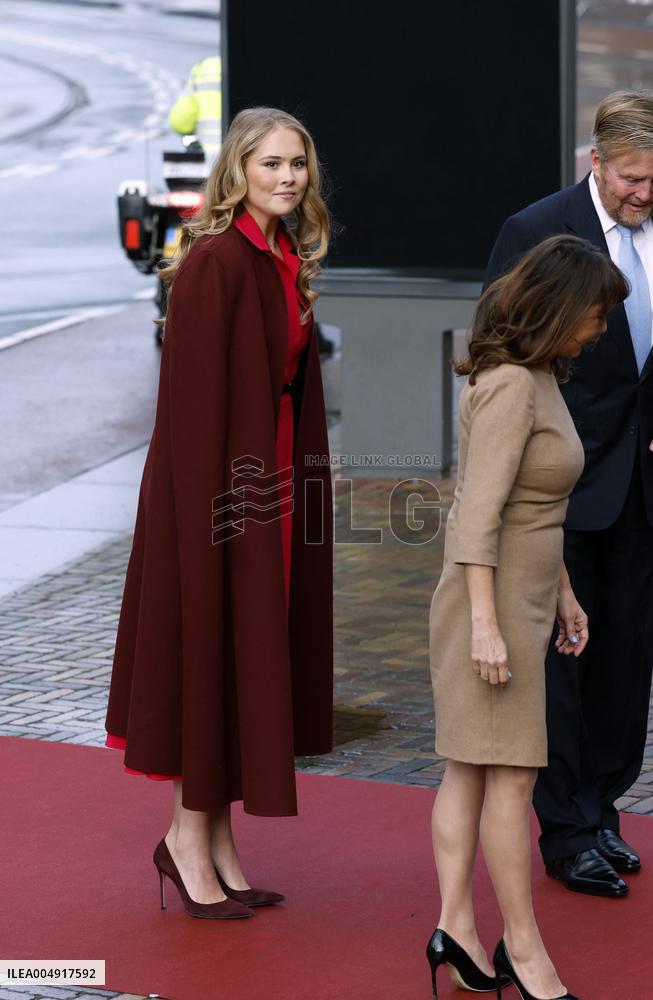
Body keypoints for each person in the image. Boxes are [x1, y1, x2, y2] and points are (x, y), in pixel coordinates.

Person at [104, 106, 333, 919]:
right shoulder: (216, 262)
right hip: (223, 498)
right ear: (237, 169)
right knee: (214, 650)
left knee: (247, 657)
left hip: (266, 473)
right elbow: (190, 412)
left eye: (297, 164)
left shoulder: (278, 253)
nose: (286, 177)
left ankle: (217, 847)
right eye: (270, 163)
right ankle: (185, 846)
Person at [427, 235, 627, 1000]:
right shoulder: (512, 385)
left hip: (520, 594)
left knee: (472, 773)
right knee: (508, 780)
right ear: (559, 307)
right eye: (594, 314)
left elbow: (532, 511)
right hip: (493, 603)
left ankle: (454, 930)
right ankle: (523, 949)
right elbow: (475, 516)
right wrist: (485, 626)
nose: (600, 328)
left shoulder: (534, 374)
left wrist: (565, 593)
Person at [485, 90, 653, 898]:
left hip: (645, 493)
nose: (643, 194)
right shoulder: (534, 231)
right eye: (631, 178)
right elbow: (500, 359)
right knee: (560, 670)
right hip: (561, 490)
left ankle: (601, 808)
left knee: (626, 664)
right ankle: (566, 832)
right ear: (595, 162)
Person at [169, 55, 222, 159]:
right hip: (240, 155)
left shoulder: (200, 71)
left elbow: (180, 120)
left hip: (204, 154)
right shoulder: (242, 65)